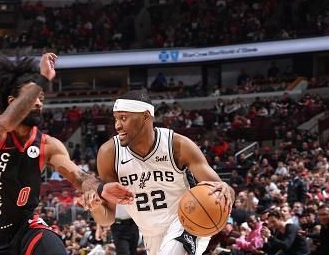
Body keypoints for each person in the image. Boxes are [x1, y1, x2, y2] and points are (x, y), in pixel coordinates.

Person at [0, 54, 134, 255]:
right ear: (12, 101)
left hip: (26, 228)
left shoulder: (49, 145)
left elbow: (78, 176)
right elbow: (7, 122)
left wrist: (101, 188)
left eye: (41, 98)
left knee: (53, 248)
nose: (39, 103)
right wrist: (43, 78)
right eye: (33, 97)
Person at [87, 90, 235, 255]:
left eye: (123, 118)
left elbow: (223, 191)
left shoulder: (178, 146)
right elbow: (107, 218)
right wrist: (96, 207)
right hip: (150, 235)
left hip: (186, 222)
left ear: (145, 117)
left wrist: (227, 191)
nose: (117, 125)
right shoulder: (109, 153)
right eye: (116, 119)